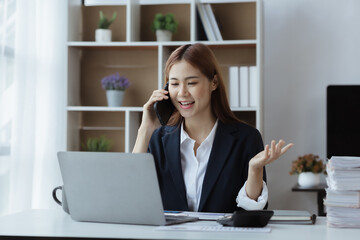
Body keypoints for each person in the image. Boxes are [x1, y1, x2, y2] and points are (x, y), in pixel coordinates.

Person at [133, 43, 293, 213]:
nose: (182, 93)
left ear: (214, 82)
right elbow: (131, 193)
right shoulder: (158, 139)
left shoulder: (246, 138)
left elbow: (252, 211)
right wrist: (145, 129)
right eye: (174, 84)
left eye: (191, 83)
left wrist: (254, 170)